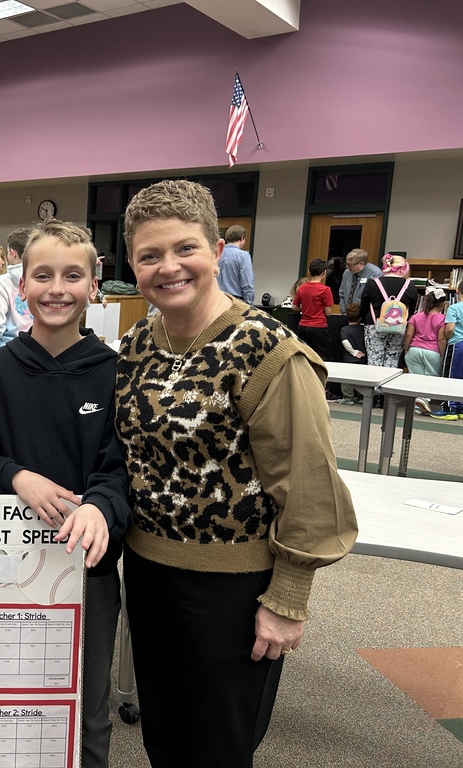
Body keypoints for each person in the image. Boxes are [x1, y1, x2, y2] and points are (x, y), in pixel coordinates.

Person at [116, 179, 357, 768]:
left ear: (217, 251)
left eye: (184, 249)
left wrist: (289, 595)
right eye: (150, 255)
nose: (168, 267)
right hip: (148, 574)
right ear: (131, 264)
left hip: (232, 589)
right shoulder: (134, 345)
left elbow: (309, 485)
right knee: (165, 737)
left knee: (218, 747)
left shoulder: (268, 352)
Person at [0, 218, 130, 768]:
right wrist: (15, 476)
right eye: (43, 275)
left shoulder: (115, 373)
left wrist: (100, 506)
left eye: (72, 276)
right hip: (3, 565)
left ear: (93, 286)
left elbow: (122, 467)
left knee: (84, 707)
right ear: (21, 285)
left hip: (86, 573)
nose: (57, 288)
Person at [360, 253, 417, 369]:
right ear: (402, 268)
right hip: (398, 326)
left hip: (374, 325)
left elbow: (364, 308)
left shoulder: (372, 283)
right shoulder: (409, 285)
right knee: (392, 360)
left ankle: (375, 386)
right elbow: (411, 309)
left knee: (374, 360)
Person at [0, 226, 34, 351]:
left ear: (12, 253)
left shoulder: (1, 283)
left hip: (9, 349)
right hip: (37, 348)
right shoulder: (43, 279)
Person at [404, 287, 447, 415]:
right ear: (443, 304)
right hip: (432, 351)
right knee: (431, 378)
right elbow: (441, 339)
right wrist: (442, 355)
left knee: (416, 378)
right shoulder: (441, 319)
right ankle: (423, 399)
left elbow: (408, 335)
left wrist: (406, 349)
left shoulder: (416, 316)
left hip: (414, 349)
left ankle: (419, 403)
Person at [292, 258, 334, 365]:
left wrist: (305, 309)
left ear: (309, 272)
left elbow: (294, 307)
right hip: (318, 326)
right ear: (324, 273)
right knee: (324, 357)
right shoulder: (325, 290)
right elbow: (328, 312)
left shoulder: (301, 288)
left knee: (304, 357)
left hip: (302, 326)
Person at [431, 283, 463, 420]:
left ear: (457, 291)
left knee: (451, 376)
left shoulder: (454, 308)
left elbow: (450, 329)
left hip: (457, 344)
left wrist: (449, 337)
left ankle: (449, 408)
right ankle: (461, 407)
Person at [337, 302, 367, 404]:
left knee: (346, 379)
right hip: (362, 358)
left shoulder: (344, 329)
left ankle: (348, 396)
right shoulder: (364, 329)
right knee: (361, 378)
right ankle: (360, 396)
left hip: (349, 359)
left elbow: (345, 342)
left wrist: (354, 352)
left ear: (346, 316)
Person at [216, 224, 254, 304]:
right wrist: (249, 304)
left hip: (216, 300)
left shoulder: (217, 253)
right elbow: (247, 283)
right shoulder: (243, 256)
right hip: (235, 301)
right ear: (242, 238)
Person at [339, 248, 381, 314]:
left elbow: (376, 299)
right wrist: (344, 311)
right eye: (347, 264)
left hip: (364, 314)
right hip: (347, 315)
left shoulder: (375, 273)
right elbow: (342, 294)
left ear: (361, 263)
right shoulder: (347, 273)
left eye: (350, 265)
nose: (347, 267)